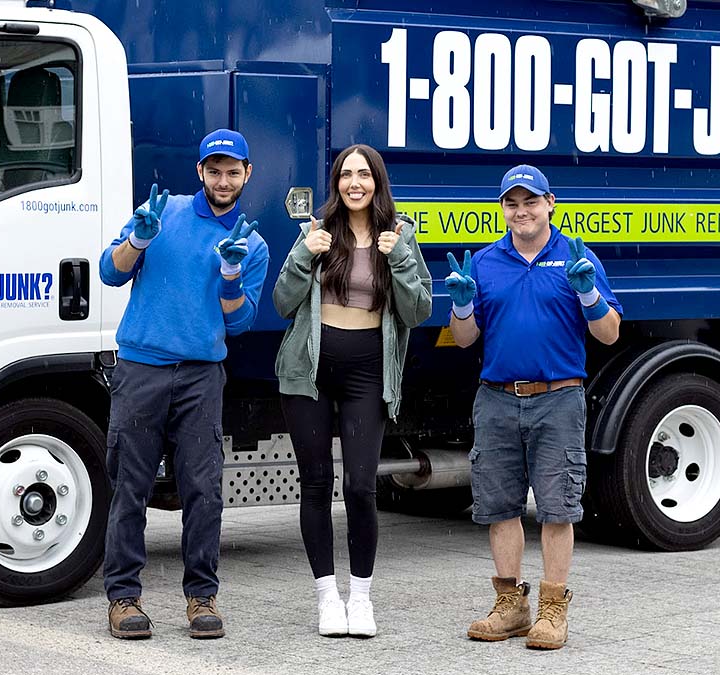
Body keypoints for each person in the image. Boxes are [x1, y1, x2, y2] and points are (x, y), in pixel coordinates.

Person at [98, 129, 269, 641]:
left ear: (247, 174)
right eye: (214, 171)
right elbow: (109, 272)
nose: (223, 180)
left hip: (201, 376)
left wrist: (231, 275)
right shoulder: (161, 212)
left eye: (232, 171)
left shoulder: (252, 243)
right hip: (141, 369)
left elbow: (239, 323)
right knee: (130, 487)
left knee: (203, 492)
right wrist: (137, 241)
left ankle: (201, 597)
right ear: (200, 172)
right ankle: (123, 598)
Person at [447, 164, 622, 650]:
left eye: (530, 201)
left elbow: (609, 333)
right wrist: (462, 306)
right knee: (499, 507)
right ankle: (511, 606)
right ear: (502, 208)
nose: (521, 211)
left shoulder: (576, 256)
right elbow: (464, 339)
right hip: (496, 399)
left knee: (557, 508)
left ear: (550, 203)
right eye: (512, 203)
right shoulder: (485, 262)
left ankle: (552, 609)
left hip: (558, 399)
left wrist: (588, 292)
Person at [273, 144, 432, 638]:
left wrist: (398, 258)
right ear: (336, 183)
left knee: (361, 486)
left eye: (364, 174)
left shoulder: (400, 235)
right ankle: (327, 598)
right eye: (346, 175)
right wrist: (304, 255)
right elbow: (282, 303)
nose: (354, 183)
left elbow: (419, 311)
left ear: (377, 182)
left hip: (369, 373)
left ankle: (360, 598)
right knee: (316, 483)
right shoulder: (316, 233)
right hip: (309, 372)